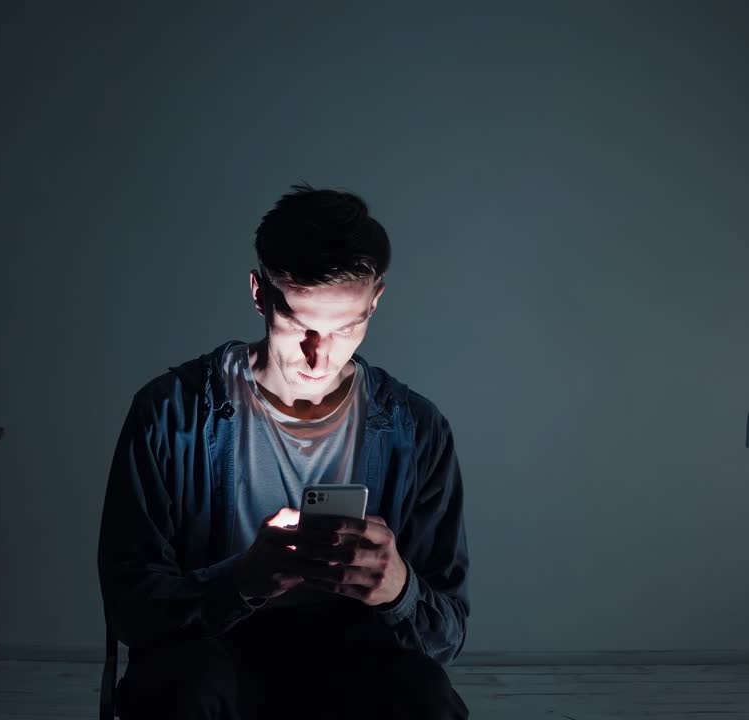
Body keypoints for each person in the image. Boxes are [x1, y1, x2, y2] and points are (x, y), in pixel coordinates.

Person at [97, 184, 470, 720]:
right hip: (212, 650)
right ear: (258, 293)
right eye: (299, 326)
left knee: (426, 701)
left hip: (355, 655)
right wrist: (241, 582)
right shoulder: (171, 414)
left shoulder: (417, 431)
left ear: (376, 300)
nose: (319, 357)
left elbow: (447, 636)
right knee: (182, 688)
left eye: (347, 328)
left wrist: (398, 589)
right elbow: (130, 609)